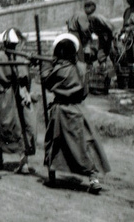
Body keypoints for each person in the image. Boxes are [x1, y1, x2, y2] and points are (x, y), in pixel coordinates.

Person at [41, 33, 111, 194]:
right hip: (77, 110)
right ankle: (93, 178)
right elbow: (85, 92)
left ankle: (52, 175)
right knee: (84, 144)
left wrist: (44, 67)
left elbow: (46, 83)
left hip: (59, 111)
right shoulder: (82, 68)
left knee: (54, 143)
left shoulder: (57, 70)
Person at [0, 28, 36, 174]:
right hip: (18, 94)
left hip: (3, 94)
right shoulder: (20, 57)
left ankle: (0, 160)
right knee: (21, 126)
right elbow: (25, 77)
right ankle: (23, 163)